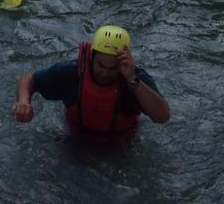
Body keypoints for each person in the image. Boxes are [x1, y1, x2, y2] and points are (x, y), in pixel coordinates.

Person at [11, 24, 170, 141]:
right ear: (91, 57)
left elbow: (162, 116)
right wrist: (24, 102)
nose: (106, 72)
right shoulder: (72, 73)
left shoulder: (135, 78)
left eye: (113, 68)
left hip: (122, 145)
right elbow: (29, 79)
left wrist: (131, 79)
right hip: (76, 139)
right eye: (101, 65)